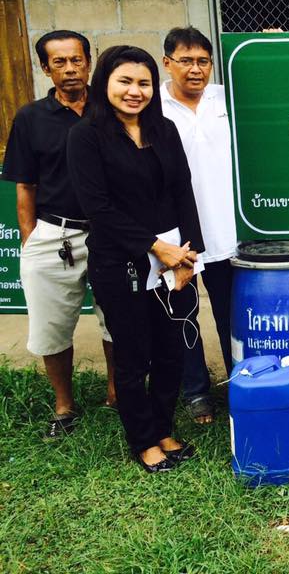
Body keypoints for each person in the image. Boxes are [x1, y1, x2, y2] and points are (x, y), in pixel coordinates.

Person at [68, 45, 205, 473]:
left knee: (171, 351)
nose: (135, 91)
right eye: (124, 81)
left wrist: (189, 255)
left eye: (143, 83)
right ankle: (144, 441)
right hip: (121, 262)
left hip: (174, 261)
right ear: (104, 83)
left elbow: (183, 191)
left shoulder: (164, 129)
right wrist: (155, 247)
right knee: (133, 356)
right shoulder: (86, 136)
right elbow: (98, 208)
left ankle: (163, 429)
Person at [3, 30, 115, 437]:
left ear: (89, 62)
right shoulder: (31, 117)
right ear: (44, 68)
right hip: (55, 233)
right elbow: (25, 185)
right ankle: (64, 405)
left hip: (109, 233)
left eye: (76, 60)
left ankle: (117, 393)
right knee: (51, 325)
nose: (70, 69)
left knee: (116, 318)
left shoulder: (109, 109)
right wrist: (30, 237)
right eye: (59, 62)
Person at [160, 27, 236, 425]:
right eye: (186, 60)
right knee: (183, 314)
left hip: (225, 233)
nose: (195, 69)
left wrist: (273, 45)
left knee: (229, 314)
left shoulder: (225, 99)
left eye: (203, 61)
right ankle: (196, 392)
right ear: (167, 62)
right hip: (177, 236)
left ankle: (239, 382)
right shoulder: (151, 107)